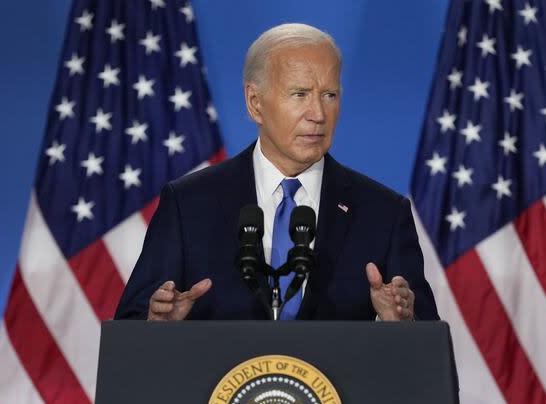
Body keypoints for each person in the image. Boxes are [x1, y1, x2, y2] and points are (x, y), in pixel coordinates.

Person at [114, 23, 438, 322]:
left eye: (330, 95)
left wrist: (404, 324)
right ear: (255, 103)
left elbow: (429, 351)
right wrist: (156, 325)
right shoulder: (189, 204)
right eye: (299, 94)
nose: (318, 114)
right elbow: (132, 328)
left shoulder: (383, 213)